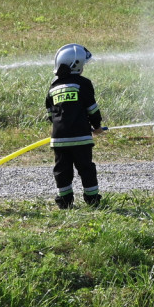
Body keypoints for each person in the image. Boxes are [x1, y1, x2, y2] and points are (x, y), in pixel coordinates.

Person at [46, 44, 105, 208]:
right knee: (86, 169)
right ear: (76, 64)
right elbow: (92, 108)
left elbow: (50, 114)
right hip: (81, 138)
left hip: (59, 140)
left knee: (62, 171)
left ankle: (64, 202)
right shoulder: (83, 83)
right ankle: (92, 200)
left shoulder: (53, 86)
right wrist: (97, 127)